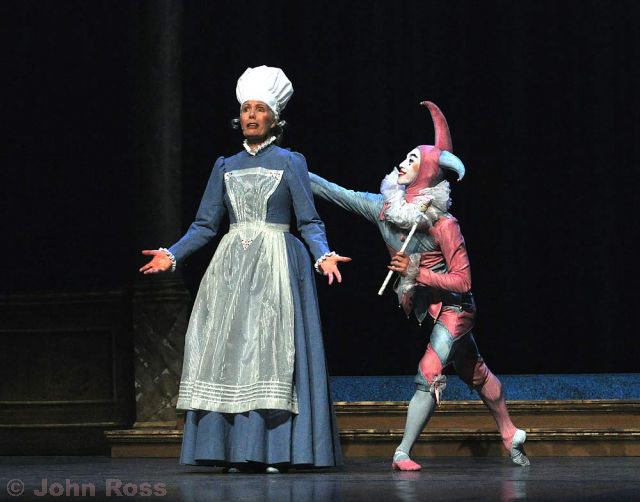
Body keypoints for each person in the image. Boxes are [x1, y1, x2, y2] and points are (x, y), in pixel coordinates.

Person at [139, 66, 350, 472]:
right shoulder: (225, 165)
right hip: (231, 269)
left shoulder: (291, 162)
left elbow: (309, 221)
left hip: (276, 263)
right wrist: (173, 254)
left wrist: (323, 254)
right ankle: (233, 449)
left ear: (275, 118)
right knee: (231, 352)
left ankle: (275, 450)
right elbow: (205, 225)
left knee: (271, 350)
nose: (252, 115)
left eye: (260, 109)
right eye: (246, 109)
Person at [309, 101, 529, 471]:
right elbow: (337, 193)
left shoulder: (444, 225)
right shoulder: (384, 209)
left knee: (429, 371)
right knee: (474, 371)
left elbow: (464, 281)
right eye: (405, 157)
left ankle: (402, 452)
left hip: (456, 309)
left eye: (413, 160)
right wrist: (292, 170)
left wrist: (416, 270)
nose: (403, 164)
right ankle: (510, 432)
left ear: (426, 173)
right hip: (429, 307)